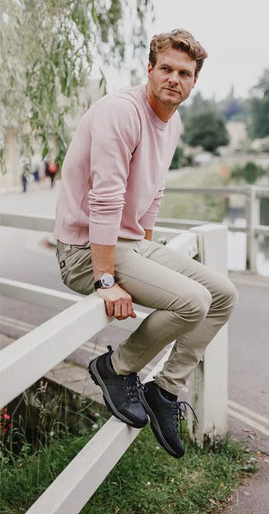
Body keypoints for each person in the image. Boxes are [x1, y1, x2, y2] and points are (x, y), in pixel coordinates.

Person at [53, 29, 238, 459]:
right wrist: (104, 280)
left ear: (194, 82)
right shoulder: (122, 112)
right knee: (192, 301)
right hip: (85, 251)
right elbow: (105, 198)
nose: (175, 78)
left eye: (185, 73)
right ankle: (114, 368)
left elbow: (152, 194)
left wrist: (149, 259)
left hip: (129, 244)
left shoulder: (173, 123)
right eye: (167, 69)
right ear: (150, 70)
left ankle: (165, 390)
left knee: (224, 295)